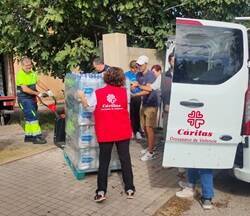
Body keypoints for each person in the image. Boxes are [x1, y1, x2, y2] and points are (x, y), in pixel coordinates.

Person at [77, 67, 135, 203]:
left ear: (106, 78)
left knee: (104, 162)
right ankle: (130, 188)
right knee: (125, 160)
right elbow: (126, 109)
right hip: (123, 131)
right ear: (121, 79)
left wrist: (81, 96)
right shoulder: (125, 93)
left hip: (106, 131)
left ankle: (101, 191)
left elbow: (88, 107)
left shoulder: (98, 93)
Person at [16, 57, 53, 144]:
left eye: (30, 65)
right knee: (33, 117)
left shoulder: (32, 72)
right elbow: (24, 89)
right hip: (24, 99)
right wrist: (38, 94)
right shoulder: (20, 75)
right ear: (22, 65)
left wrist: (48, 90)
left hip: (31, 99)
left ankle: (29, 136)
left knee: (29, 118)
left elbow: (38, 82)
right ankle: (37, 137)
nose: (29, 67)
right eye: (27, 66)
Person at [133, 55, 158, 161]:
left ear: (146, 64)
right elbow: (137, 85)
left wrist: (135, 93)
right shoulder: (138, 74)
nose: (138, 66)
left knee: (149, 128)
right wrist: (133, 87)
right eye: (137, 64)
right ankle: (149, 147)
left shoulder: (151, 75)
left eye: (140, 64)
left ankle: (151, 152)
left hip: (152, 105)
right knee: (145, 128)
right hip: (144, 104)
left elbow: (148, 90)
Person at [125, 60, 143, 140]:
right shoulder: (126, 74)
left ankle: (137, 131)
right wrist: (129, 87)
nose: (134, 70)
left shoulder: (140, 75)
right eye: (132, 68)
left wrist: (137, 86)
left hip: (137, 96)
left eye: (135, 68)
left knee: (136, 114)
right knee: (130, 114)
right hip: (129, 97)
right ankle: (131, 131)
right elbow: (123, 85)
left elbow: (143, 85)